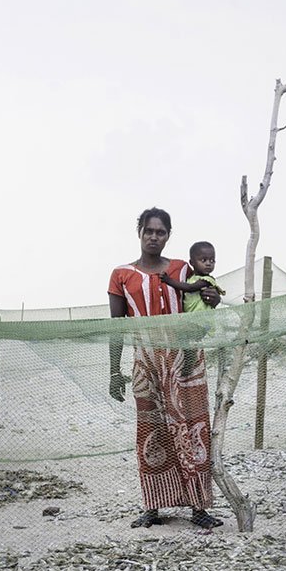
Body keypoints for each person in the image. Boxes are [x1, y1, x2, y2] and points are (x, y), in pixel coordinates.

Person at [107, 208, 224, 530]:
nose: (154, 237)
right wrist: (114, 372)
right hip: (145, 361)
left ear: (168, 235)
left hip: (185, 358)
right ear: (139, 233)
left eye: (160, 232)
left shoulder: (182, 268)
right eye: (149, 231)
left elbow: (203, 302)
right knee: (151, 430)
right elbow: (116, 327)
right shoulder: (121, 275)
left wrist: (212, 300)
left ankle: (199, 507)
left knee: (194, 427)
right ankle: (153, 506)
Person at [159, 241, 225, 375]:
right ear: (192, 262)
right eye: (204, 260)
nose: (208, 263)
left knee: (181, 335)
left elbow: (189, 288)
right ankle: (188, 362)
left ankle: (190, 360)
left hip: (201, 322)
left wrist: (168, 280)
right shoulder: (191, 277)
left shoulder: (207, 279)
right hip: (192, 320)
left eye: (212, 260)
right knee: (184, 341)